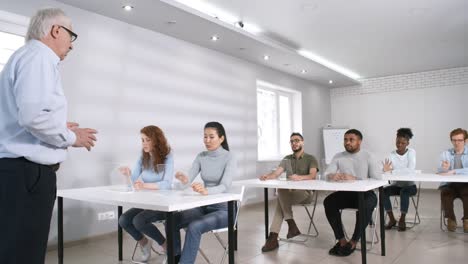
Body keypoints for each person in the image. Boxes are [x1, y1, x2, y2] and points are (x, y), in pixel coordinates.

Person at [0, 8, 97, 264]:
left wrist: (59, 125)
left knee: (12, 246)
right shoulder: (40, 57)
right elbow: (33, 117)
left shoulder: (24, 57)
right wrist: (71, 137)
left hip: (16, 172)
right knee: (24, 252)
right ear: (56, 30)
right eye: (71, 36)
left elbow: (23, 115)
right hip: (28, 175)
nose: (71, 46)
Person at [170, 122, 236, 264]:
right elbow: (187, 181)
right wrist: (183, 180)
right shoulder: (201, 156)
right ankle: (175, 259)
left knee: (194, 226)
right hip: (205, 207)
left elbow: (225, 185)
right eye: (205, 137)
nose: (207, 140)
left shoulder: (229, 157)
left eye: (211, 137)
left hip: (225, 210)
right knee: (172, 220)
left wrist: (207, 191)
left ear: (221, 138)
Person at [118, 125, 174, 262]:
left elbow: (166, 184)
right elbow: (133, 178)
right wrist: (127, 174)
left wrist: (144, 185)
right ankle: (144, 243)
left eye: (147, 140)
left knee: (139, 220)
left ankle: (166, 246)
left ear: (156, 140)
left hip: (163, 203)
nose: (144, 144)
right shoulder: (142, 157)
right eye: (142, 140)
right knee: (124, 220)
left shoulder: (168, 156)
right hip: (147, 202)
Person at [323, 129, 381, 257]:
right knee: (329, 202)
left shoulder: (368, 156)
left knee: (365, 205)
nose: (347, 142)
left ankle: (354, 241)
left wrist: (356, 179)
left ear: (359, 141)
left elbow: (377, 178)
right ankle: (342, 241)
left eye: (351, 140)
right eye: (345, 139)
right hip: (347, 194)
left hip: (366, 194)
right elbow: (326, 174)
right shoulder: (338, 156)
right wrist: (332, 176)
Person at [259, 132, 319, 252]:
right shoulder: (287, 158)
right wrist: (267, 176)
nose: (294, 143)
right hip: (289, 194)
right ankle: (281, 232)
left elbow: (313, 176)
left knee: (281, 200)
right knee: (281, 194)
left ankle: (276, 236)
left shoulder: (310, 158)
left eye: (297, 140)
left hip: (306, 194)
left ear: (302, 142)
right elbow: (276, 173)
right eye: (292, 141)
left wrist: (300, 177)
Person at [382, 128, 417, 231]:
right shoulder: (392, 154)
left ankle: (402, 219)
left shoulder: (411, 152)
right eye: (398, 142)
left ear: (408, 143)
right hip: (397, 185)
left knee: (404, 191)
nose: (400, 145)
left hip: (410, 187)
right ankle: (392, 219)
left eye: (403, 143)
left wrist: (392, 171)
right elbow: (386, 170)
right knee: (383, 192)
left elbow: (410, 170)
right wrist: (387, 170)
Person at [437, 128, 468, 232]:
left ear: (465, 140)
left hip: (465, 184)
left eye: (459, 140)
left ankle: (467, 220)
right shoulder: (446, 153)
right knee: (445, 193)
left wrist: (454, 171)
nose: (456, 143)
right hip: (450, 184)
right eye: (454, 140)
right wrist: (444, 168)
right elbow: (440, 170)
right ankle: (451, 219)